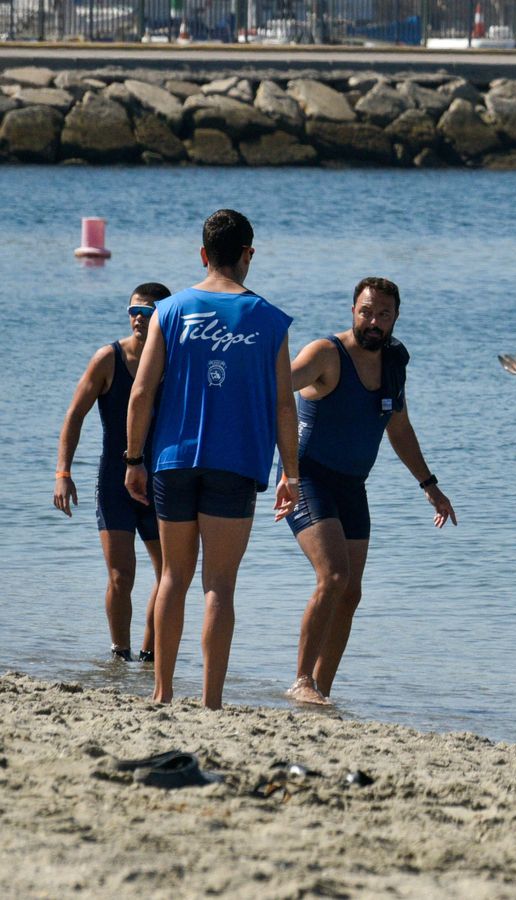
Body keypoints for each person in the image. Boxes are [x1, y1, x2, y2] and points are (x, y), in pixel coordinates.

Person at [125, 209, 298, 710]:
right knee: (218, 584)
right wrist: (292, 473)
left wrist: (133, 459)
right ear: (249, 255)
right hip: (236, 462)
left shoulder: (170, 311)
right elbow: (285, 404)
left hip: (172, 460)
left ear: (203, 255)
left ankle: (160, 693)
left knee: (173, 578)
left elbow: (141, 392)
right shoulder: (269, 319)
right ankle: (212, 702)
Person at [283, 277, 456, 705]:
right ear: (352, 310)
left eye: (383, 314)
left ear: (395, 317)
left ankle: (321, 688)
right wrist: (286, 471)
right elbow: (275, 391)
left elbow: (398, 427)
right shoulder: (326, 353)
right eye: (366, 311)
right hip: (309, 480)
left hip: (352, 486)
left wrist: (430, 486)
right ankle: (301, 680)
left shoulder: (394, 361)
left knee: (351, 591)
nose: (373, 321)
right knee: (334, 576)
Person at [53, 283, 171, 663]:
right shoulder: (108, 359)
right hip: (114, 484)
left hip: (161, 482)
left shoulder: (176, 361)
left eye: (149, 312)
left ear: (164, 317)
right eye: (133, 310)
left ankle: (150, 653)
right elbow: (74, 415)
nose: (139, 317)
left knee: (168, 573)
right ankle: (120, 656)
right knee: (121, 577)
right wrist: (63, 471)